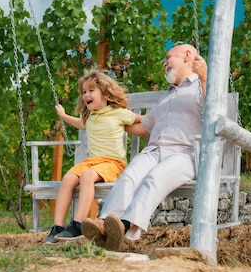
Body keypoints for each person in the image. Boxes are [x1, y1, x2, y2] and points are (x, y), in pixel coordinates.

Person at [80, 43, 206, 251]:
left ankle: (124, 225)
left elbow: (214, 114)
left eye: (168, 57)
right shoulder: (167, 96)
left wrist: (204, 78)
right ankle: (104, 224)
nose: (164, 63)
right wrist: (109, 119)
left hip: (185, 152)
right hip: (154, 150)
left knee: (153, 178)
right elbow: (143, 127)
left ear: (187, 56)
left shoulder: (201, 87)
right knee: (129, 176)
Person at [43, 69, 143, 244]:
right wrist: (63, 116)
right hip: (92, 162)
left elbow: (142, 119)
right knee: (68, 178)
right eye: (84, 92)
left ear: (104, 93)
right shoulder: (89, 117)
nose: (86, 95)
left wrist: (163, 118)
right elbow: (79, 123)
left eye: (91, 91)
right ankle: (57, 227)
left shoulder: (118, 113)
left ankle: (78, 224)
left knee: (87, 175)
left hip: (113, 162)